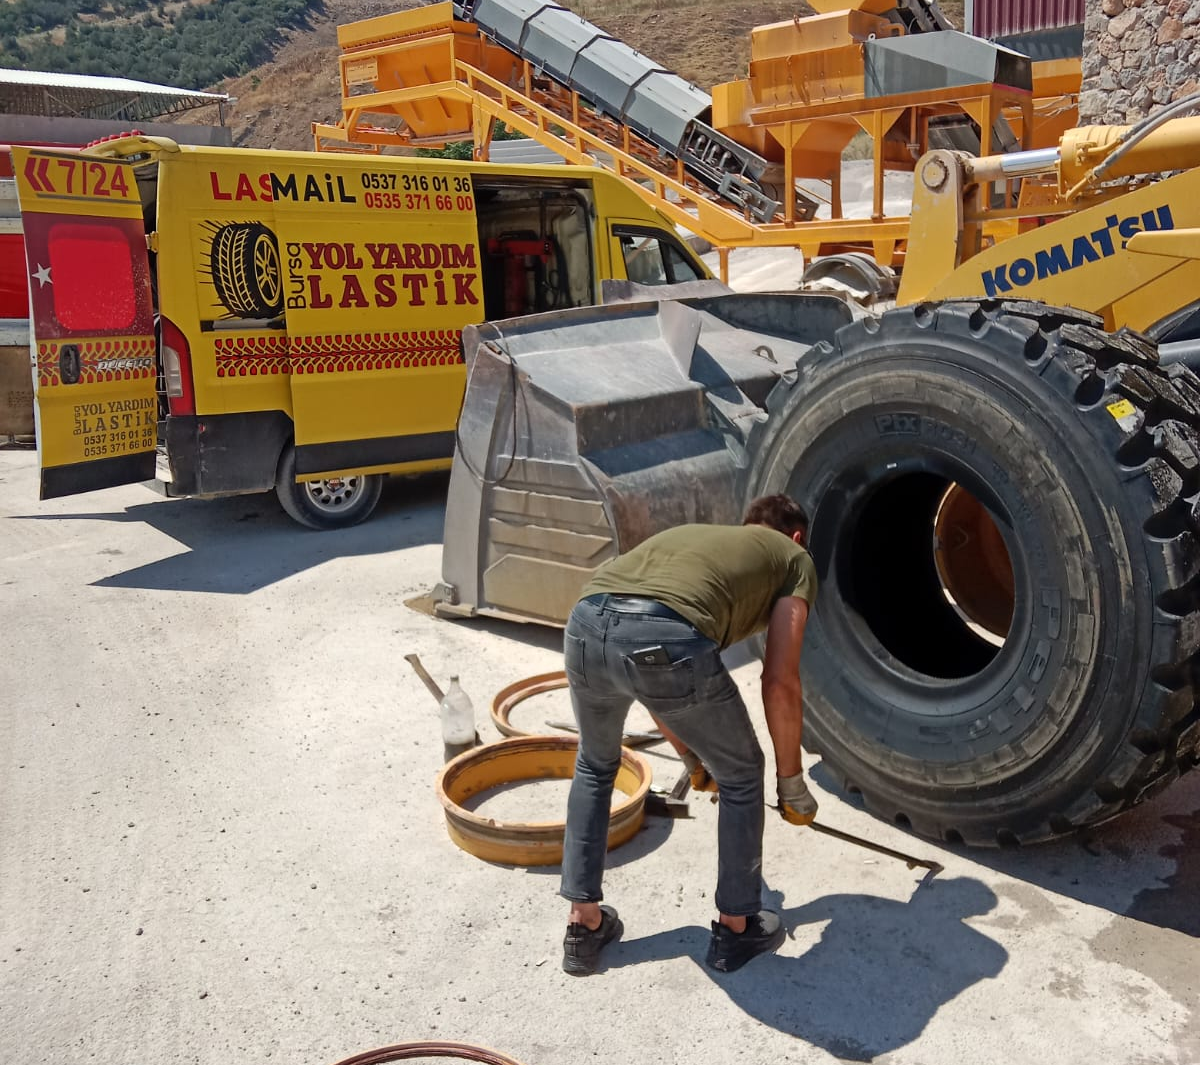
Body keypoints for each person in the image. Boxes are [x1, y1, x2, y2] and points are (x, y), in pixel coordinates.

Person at [558, 494, 819, 976]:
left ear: (746, 525)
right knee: (742, 775)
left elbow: (649, 681)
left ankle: (583, 924)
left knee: (595, 766)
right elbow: (780, 680)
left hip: (585, 624)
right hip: (664, 637)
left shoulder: (695, 540)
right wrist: (791, 784)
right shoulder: (793, 557)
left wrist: (694, 760)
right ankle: (736, 929)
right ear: (797, 536)